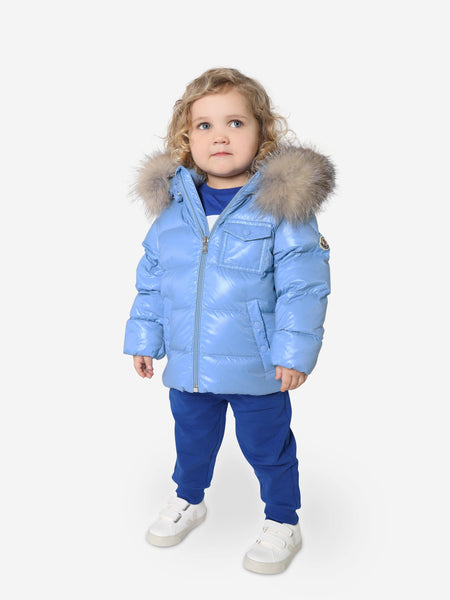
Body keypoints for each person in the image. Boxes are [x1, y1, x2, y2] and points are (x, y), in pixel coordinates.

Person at [123, 67, 335, 575]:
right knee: (191, 440)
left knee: (268, 447)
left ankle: (283, 519)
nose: (220, 135)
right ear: (187, 138)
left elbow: (303, 287)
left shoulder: (280, 209)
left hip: (258, 367)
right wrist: (145, 338)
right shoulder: (173, 211)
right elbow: (153, 280)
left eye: (235, 123)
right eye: (205, 125)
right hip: (190, 365)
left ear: (262, 132)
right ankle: (189, 498)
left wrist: (293, 353)